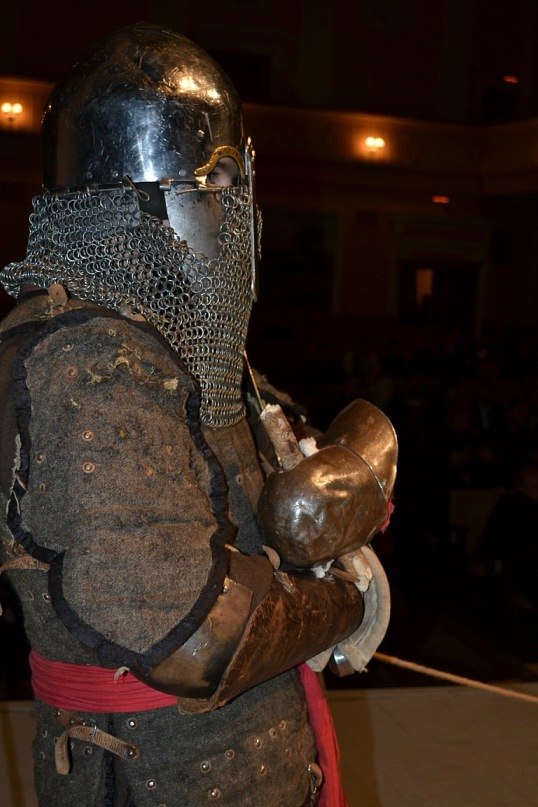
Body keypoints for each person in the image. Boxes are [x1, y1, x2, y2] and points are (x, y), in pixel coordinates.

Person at [0, 24, 397, 806]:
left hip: (256, 757)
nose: (239, 215)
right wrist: (348, 604)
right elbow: (195, 635)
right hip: (157, 775)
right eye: (223, 188)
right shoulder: (87, 365)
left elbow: (275, 497)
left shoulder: (179, 347)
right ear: (165, 199)